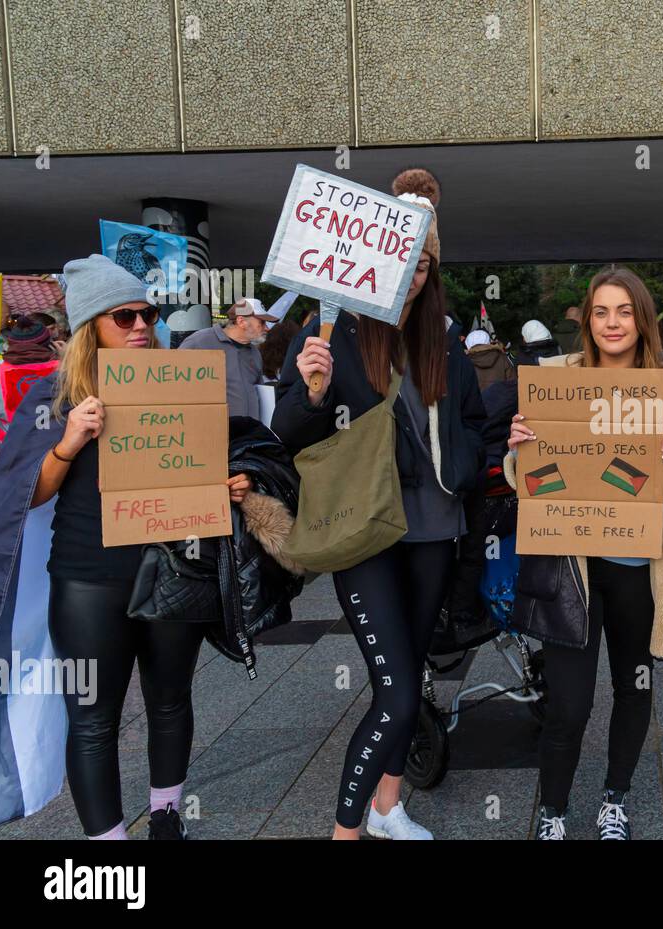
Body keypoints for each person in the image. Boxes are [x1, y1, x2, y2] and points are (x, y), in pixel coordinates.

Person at [8, 255, 252, 839]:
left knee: (170, 700)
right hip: (88, 578)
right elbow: (27, 494)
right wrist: (69, 442)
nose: (142, 325)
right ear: (92, 324)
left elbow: (199, 466)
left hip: (173, 567)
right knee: (92, 720)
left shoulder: (178, 384)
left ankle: (167, 816)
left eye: (149, 313)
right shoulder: (53, 393)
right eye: (125, 316)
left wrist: (228, 485)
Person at [273, 188, 485, 841]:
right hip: (362, 529)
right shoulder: (327, 329)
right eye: (405, 260)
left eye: (425, 263)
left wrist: (469, 460)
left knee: (408, 672)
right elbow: (284, 432)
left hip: (430, 529)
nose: (414, 273)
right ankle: (346, 832)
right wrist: (311, 392)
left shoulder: (445, 338)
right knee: (394, 690)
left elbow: (476, 424)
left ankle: (388, 805)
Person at [507, 267, 663, 840]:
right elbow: (529, 481)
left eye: (623, 311)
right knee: (568, 704)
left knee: (633, 687)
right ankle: (553, 810)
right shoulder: (554, 379)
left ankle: (615, 798)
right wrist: (518, 449)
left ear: (641, 319)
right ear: (587, 320)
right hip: (572, 570)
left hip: (641, 570)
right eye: (600, 312)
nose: (612, 323)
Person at [178, 297, 276, 419]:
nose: (267, 328)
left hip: (250, 433)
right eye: (262, 322)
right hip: (212, 432)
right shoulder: (199, 342)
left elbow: (259, 391)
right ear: (241, 321)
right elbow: (177, 385)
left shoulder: (255, 353)